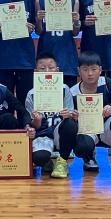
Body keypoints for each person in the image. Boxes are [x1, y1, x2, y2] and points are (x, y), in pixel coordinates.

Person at [68, 50, 111, 176]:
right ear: (78, 71)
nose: (90, 74)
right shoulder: (72, 92)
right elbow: (68, 121)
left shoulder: (107, 83)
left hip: (107, 129)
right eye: (85, 70)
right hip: (87, 131)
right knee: (82, 146)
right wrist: (74, 117)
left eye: (93, 69)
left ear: (100, 70)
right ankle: (88, 157)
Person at [24, 51, 76, 179]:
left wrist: (68, 115)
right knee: (40, 158)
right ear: (36, 72)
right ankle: (47, 161)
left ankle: (62, 161)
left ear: (57, 70)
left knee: (70, 124)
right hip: (42, 134)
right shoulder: (31, 94)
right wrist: (37, 120)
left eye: (51, 67)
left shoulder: (64, 89)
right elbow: (32, 126)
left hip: (59, 132)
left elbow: (70, 114)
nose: (47, 71)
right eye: (42, 68)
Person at [35, 0, 81, 88]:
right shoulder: (40, 1)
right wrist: (38, 20)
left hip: (67, 54)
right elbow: (39, 32)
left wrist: (76, 21)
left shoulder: (74, 2)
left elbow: (75, 32)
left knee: (68, 93)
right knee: (46, 92)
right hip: (46, 52)